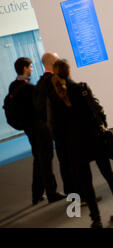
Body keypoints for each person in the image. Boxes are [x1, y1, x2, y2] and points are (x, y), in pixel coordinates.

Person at [48, 59, 113, 228]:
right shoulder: (81, 88)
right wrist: (102, 126)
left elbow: (54, 127)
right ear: (69, 72)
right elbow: (97, 111)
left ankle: (96, 219)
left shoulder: (54, 98)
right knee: (108, 174)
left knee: (86, 183)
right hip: (95, 139)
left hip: (74, 146)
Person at [7, 58, 65, 205]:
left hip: (28, 129)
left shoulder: (13, 86)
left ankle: (37, 194)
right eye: (31, 66)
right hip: (39, 127)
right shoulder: (29, 88)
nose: (32, 69)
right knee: (45, 159)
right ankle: (51, 193)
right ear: (25, 68)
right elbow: (39, 106)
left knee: (38, 159)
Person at [33, 52, 75, 196]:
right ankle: (80, 194)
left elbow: (39, 108)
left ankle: (71, 194)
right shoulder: (55, 82)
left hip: (54, 129)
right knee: (73, 161)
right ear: (53, 63)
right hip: (65, 128)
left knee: (63, 161)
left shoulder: (40, 83)